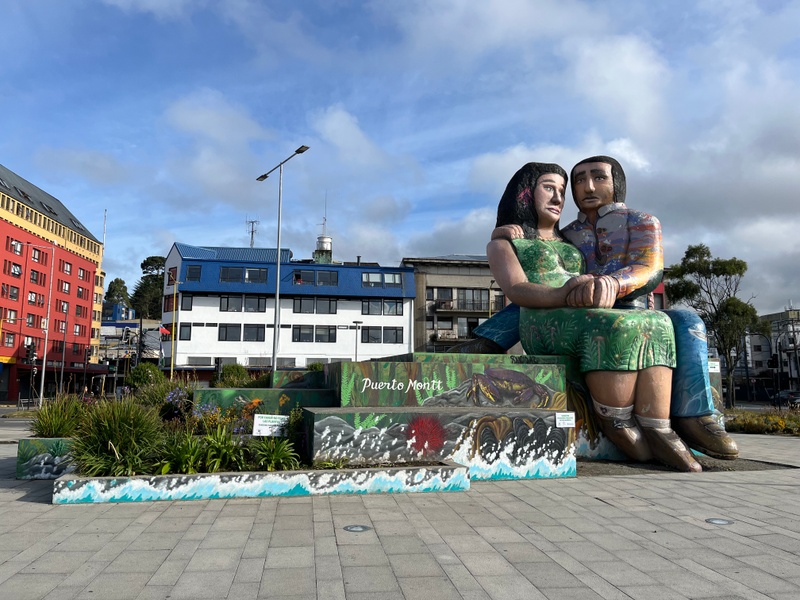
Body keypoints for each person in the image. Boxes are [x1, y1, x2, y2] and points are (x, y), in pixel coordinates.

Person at [456, 156, 738, 460]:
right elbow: (537, 276)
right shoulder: (571, 233)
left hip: (627, 302)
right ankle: (488, 340)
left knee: (686, 320)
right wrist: (506, 232)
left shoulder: (640, 221)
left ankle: (694, 413)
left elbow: (649, 267)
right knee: (547, 302)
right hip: (579, 306)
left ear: (616, 183)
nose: (588, 187)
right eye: (579, 180)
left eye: (599, 178)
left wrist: (615, 284)